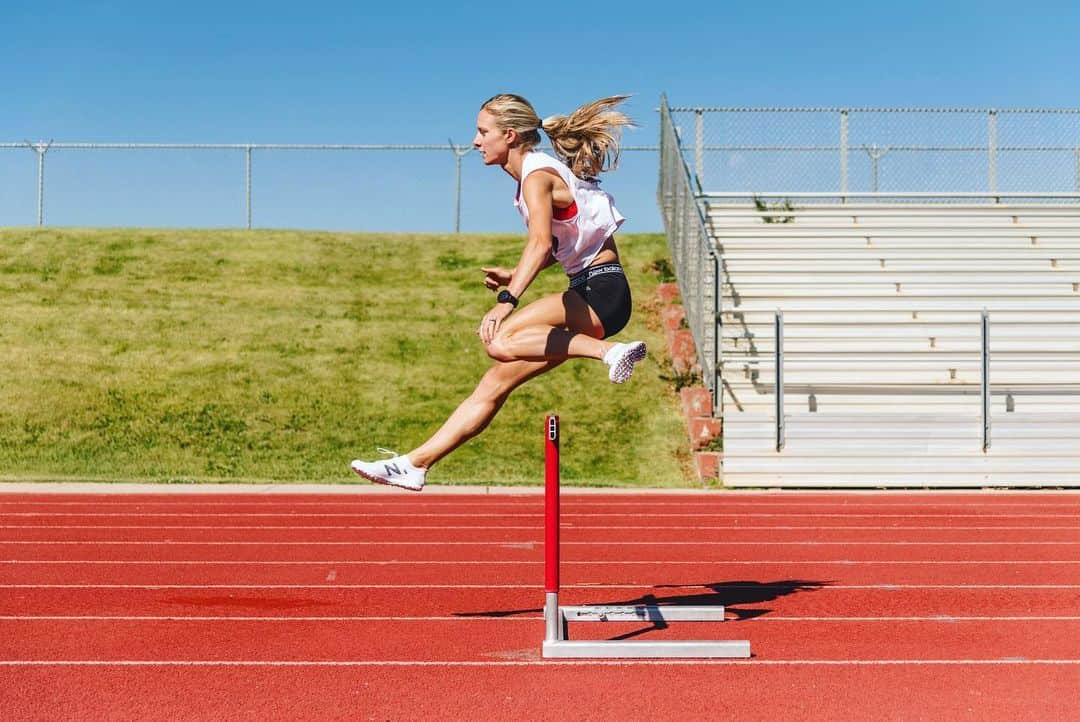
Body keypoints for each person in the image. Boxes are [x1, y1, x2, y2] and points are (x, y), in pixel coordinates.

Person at [351, 94, 646, 491]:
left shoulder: (535, 176)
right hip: (595, 287)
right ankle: (415, 464)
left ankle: (609, 353)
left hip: (601, 290)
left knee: (501, 340)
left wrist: (506, 303)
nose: (476, 141)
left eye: (482, 132)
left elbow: (540, 243)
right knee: (495, 380)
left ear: (509, 135)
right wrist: (514, 274)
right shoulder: (538, 175)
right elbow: (564, 245)